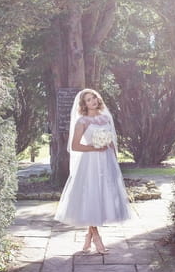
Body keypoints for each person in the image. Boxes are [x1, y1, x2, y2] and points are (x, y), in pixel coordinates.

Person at [54, 88, 131, 254]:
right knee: (92, 196)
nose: (92, 101)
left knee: (102, 197)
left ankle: (89, 236)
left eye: (94, 97)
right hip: (90, 161)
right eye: (88, 100)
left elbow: (111, 141)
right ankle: (96, 237)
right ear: (84, 104)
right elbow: (74, 146)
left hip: (107, 161)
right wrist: (93, 147)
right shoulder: (82, 121)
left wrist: (114, 160)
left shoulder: (105, 118)